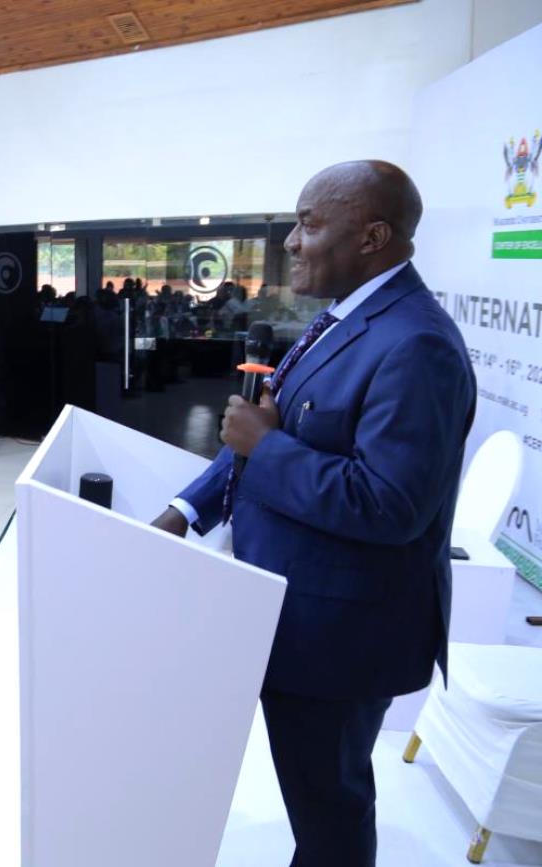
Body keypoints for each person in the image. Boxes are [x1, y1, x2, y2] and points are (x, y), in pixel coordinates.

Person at [152, 160, 474, 867]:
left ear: (373, 236)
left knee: (330, 812)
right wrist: (184, 510)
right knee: (317, 799)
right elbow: (263, 433)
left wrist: (265, 450)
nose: (292, 241)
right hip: (292, 613)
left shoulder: (416, 344)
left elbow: (390, 505)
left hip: (339, 635)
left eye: (310, 222)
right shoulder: (346, 320)